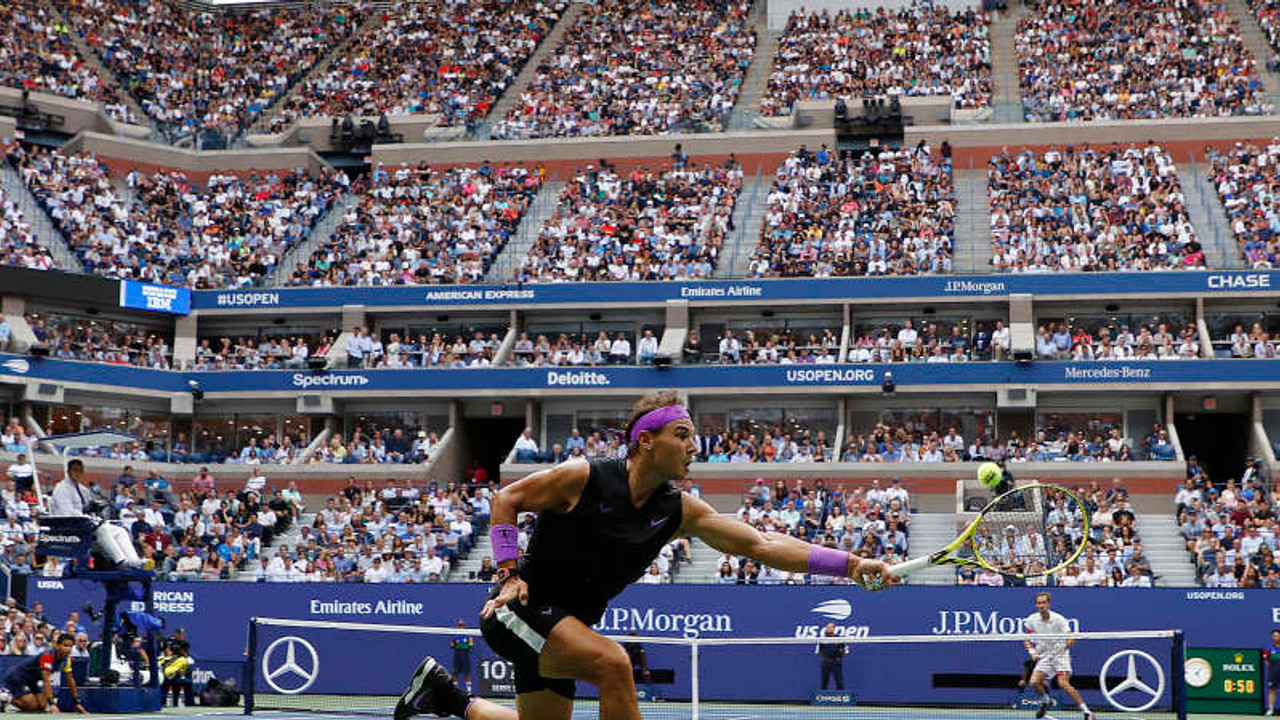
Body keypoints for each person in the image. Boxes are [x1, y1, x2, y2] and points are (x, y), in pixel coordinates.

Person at [393, 391, 896, 720]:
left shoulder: (678, 509)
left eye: (694, 437)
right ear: (645, 441)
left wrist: (850, 566)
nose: (693, 446)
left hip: (569, 626)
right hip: (521, 612)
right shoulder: (584, 476)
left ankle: (445, 695)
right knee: (615, 665)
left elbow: (761, 545)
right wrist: (508, 573)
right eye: (682, 435)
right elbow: (508, 499)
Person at [48, 460, 144, 569]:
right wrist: (87, 517)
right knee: (101, 530)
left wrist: (94, 511)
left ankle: (134, 561)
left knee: (120, 530)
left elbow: (88, 508)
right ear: (69, 472)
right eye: (75, 470)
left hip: (85, 523)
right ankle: (121, 562)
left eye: (80, 470)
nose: (77, 473)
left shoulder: (83, 490)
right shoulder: (61, 488)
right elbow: (65, 512)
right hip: (69, 526)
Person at [1024, 592, 1091, 720]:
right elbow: (1026, 638)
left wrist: (1059, 651)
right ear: (1036, 605)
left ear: (1049, 604)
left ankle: (1087, 711)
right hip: (1045, 655)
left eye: (1044, 602)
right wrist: (1032, 652)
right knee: (1034, 682)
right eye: (1039, 603)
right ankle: (1046, 701)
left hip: (1061, 655)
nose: (1041, 605)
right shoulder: (1031, 620)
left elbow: (1071, 639)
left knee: (1063, 683)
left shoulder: (1059, 619)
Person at [1, 632, 85, 712]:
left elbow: (70, 681)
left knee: (42, 706)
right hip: (17, 676)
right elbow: (46, 680)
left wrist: (77, 702)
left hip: (31, 681)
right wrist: (52, 704)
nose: (68, 649)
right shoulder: (47, 656)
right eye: (65, 645)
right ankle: (5, 697)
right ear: (57, 645)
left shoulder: (66, 659)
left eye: (70, 646)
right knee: (31, 707)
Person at [623, 632, 656, 701]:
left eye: (634, 636)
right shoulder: (626, 644)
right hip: (630, 659)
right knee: (627, 674)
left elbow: (642, 657)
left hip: (638, 658)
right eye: (631, 636)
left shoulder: (639, 645)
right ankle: (624, 694)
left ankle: (651, 694)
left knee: (646, 674)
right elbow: (624, 653)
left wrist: (645, 668)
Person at [817, 622, 847, 690]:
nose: (829, 629)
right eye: (828, 627)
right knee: (824, 682)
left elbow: (843, 649)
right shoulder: (822, 639)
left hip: (836, 663)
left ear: (834, 628)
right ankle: (822, 698)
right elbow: (820, 650)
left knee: (839, 682)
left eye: (831, 627)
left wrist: (839, 657)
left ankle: (841, 698)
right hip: (826, 663)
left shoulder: (839, 638)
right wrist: (825, 658)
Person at [451, 621, 473, 694]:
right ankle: (454, 690)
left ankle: (469, 691)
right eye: (459, 625)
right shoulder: (455, 635)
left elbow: (470, 645)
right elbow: (452, 644)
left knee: (467, 673)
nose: (460, 627)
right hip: (457, 654)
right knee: (455, 672)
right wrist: (455, 645)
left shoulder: (468, 635)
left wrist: (463, 646)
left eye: (462, 625)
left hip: (465, 654)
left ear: (465, 626)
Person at [1266, 629, 1280, 714]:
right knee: (1272, 691)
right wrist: (1274, 669)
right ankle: (1270, 709)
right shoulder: (1269, 648)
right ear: (1272, 637)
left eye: (1277, 636)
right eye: (1274, 636)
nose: (1276, 637)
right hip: (1273, 674)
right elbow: (1267, 661)